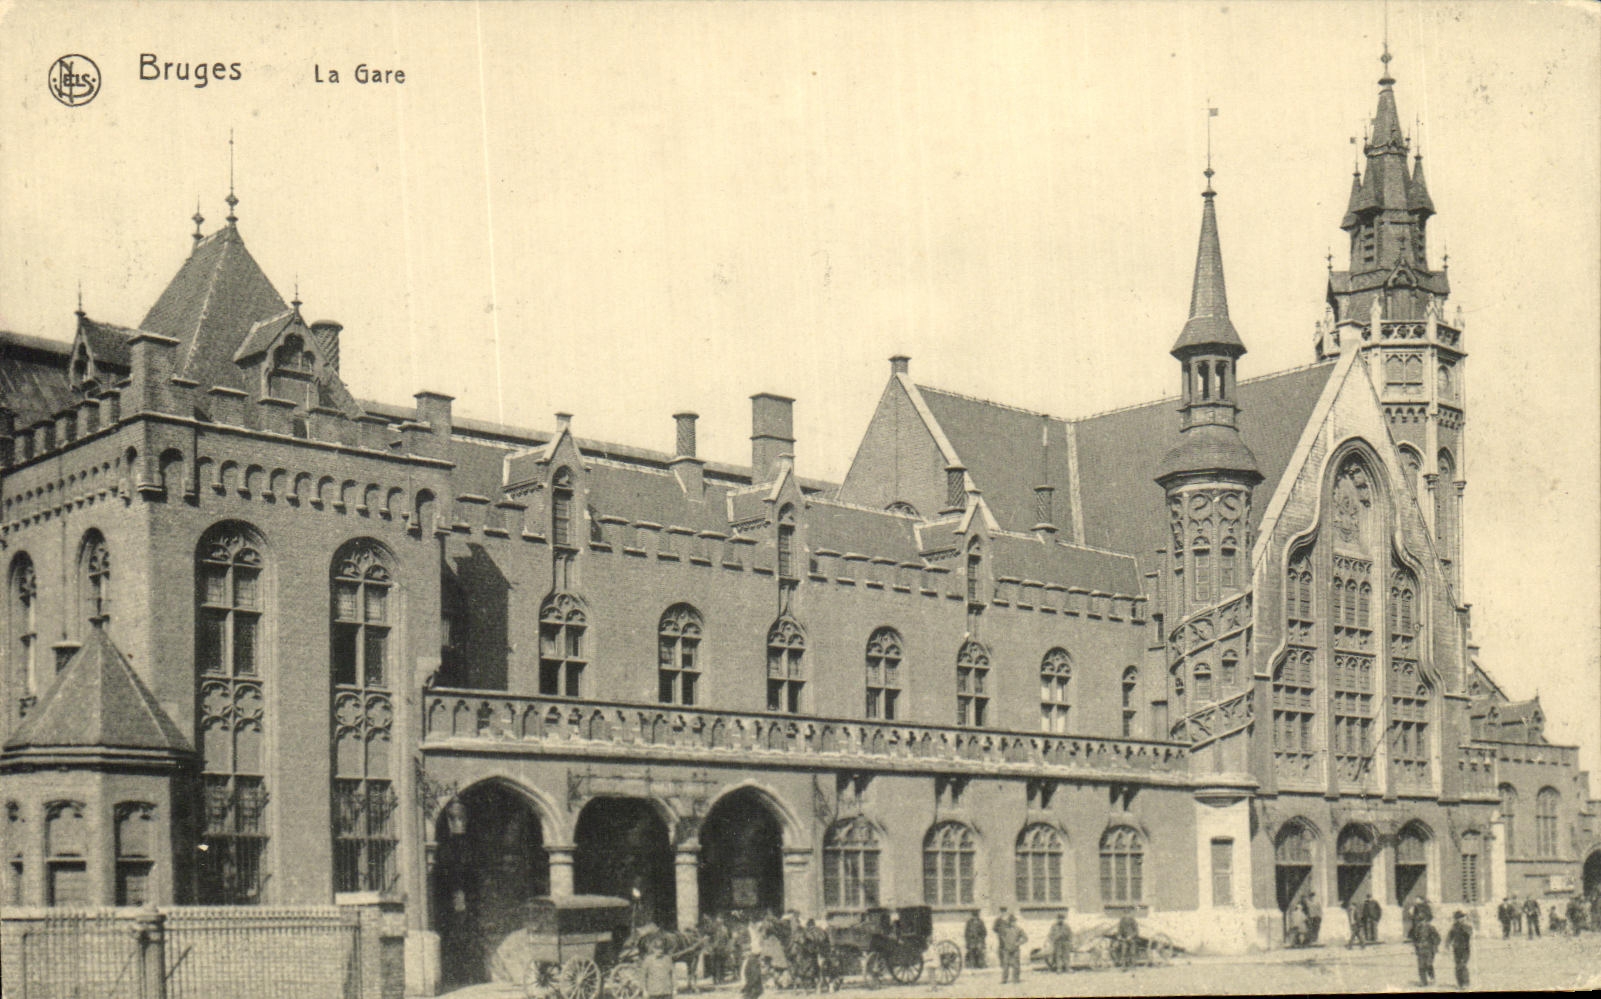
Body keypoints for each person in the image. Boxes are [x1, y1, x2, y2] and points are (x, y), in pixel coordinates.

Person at [1411, 911, 1441, 987]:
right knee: (1421, 966)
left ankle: (1432, 976)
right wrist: (1416, 947)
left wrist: (1435, 946)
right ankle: (1423, 982)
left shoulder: (1431, 928)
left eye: (1422, 920)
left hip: (1429, 949)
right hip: (1420, 949)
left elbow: (1437, 938)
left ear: (1426, 920)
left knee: (1428, 964)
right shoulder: (1416, 929)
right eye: (1419, 921)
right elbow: (1414, 939)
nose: (1420, 923)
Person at [1445, 910, 1472, 990]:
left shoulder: (1467, 926)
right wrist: (1447, 944)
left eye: (1462, 917)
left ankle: (1466, 983)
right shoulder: (1454, 926)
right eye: (1459, 918)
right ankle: (1460, 983)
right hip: (1456, 949)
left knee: (1463, 965)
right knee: (1457, 966)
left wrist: (1465, 926)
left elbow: (1469, 934)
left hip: (1465, 949)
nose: (1461, 919)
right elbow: (1450, 936)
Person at [997, 912, 1027, 984]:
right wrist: (1005, 942)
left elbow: (1025, 938)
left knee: (1016, 965)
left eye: (1013, 921)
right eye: (1010, 921)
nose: (1011, 923)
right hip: (1007, 949)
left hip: (1015, 950)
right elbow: (1001, 936)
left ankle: (1016, 979)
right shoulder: (1005, 929)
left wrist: (1018, 943)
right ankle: (1004, 980)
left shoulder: (1019, 929)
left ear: (1015, 921)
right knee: (1005, 965)